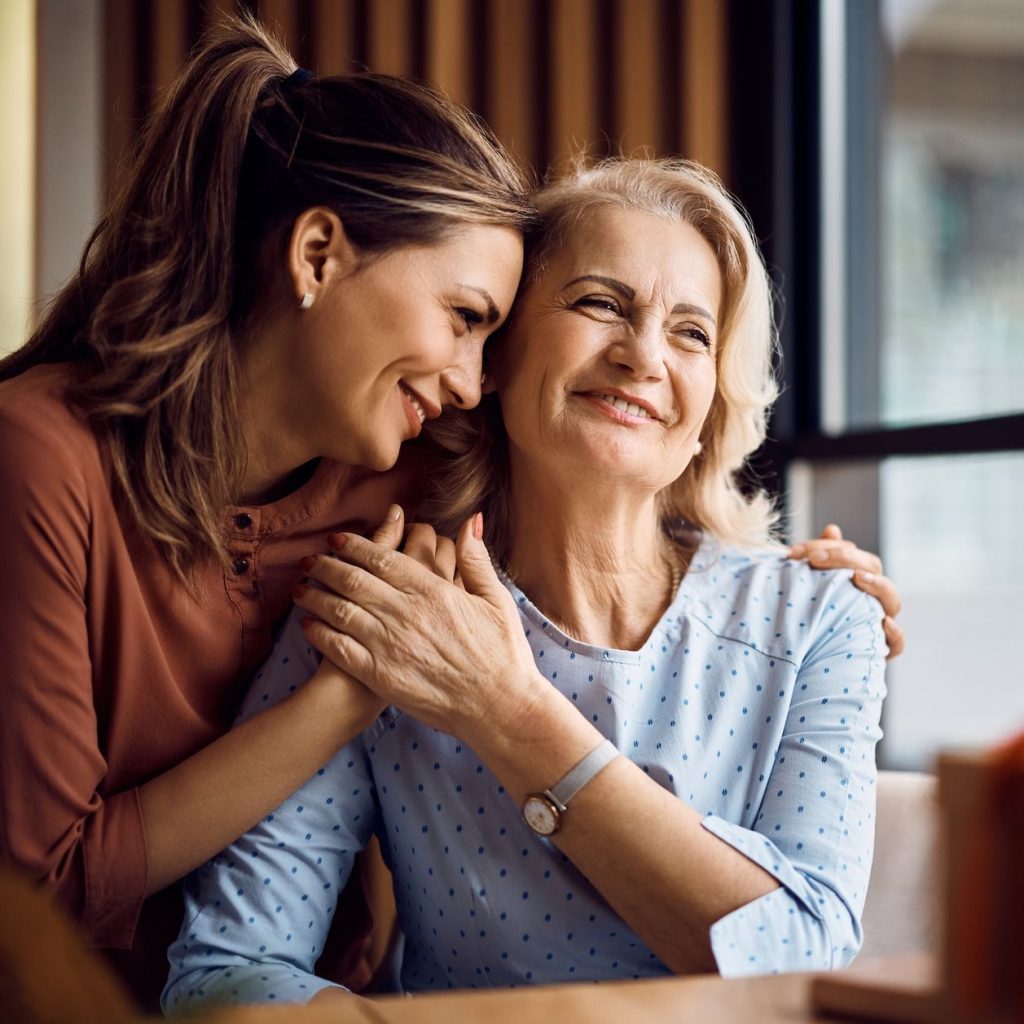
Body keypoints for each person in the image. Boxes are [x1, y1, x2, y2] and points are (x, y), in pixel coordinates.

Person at [163, 158, 892, 1011]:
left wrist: (508, 713)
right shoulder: (391, 613)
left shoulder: (821, 619)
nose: (643, 355)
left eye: (692, 333)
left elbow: (808, 958)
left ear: (711, 409)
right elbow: (225, 975)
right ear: (497, 353)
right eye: (599, 304)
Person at [0, 17, 531, 1010]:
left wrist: (807, 582)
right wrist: (340, 699)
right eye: (463, 320)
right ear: (320, 253)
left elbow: (620, 556)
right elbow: (45, 888)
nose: (467, 383)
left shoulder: (416, 487)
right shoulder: (39, 457)